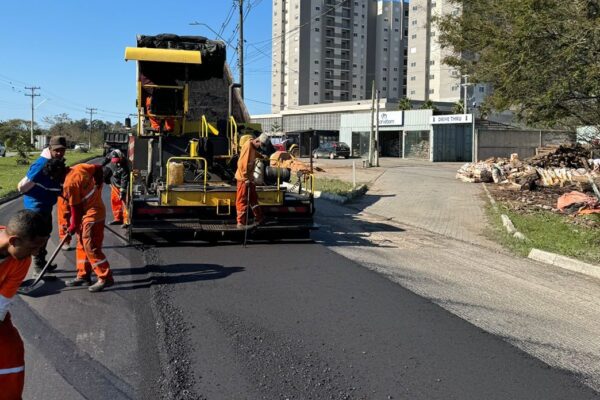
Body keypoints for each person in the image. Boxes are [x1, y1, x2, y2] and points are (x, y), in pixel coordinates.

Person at [0, 210, 51, 399]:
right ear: (14, 241)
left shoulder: (21, 260)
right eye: (33, 247)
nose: (36, 253)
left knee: (10, 354)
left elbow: (1, 303)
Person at [46, 160, 114, 292]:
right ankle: (83, 275)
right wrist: (98, 183)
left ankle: (106, 277)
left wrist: (72, 227)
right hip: (89, 212)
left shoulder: (69, 185)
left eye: (53, 177)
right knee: (82, 244)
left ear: (58, 173)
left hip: (92, 215)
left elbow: (75, 210)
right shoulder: (79, 167)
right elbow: (98, 167)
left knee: (91, 247)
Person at [17, 136, 66, 274]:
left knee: (45, 234)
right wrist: (42, 191)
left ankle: (42, 263)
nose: (60, 153)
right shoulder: (41, 164)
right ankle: (37, 267)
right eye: (57, 150)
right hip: (36, 207)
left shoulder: (55, 162)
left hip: (46, 205)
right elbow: (22, 187)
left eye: (62, 150)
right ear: (50, 148)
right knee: (37, 236)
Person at [235, 133, 270, 228]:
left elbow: (255, 154)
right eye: (261, 145)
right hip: (243, 179)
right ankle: (241, 223)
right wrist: (245, 178)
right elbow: (241, 164)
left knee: (253, 198)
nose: (260, 147)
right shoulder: (248, 147)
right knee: (242, 199)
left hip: (249, 178)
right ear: (257, 140)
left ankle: (259, 218)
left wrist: (262, 156)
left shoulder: (253, 147)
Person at [102, 150, 130, 227]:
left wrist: (122, 192)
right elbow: (103, 164)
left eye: (117, 161)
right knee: (115, 202)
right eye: (113, 161)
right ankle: (117, 219)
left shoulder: (124, 166)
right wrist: (106, 180)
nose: (115, 162)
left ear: (121, 158)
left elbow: (124, 180)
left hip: (122, 186)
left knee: (124, 204)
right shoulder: (110, 156)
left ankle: (126, 221)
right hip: (114, 185)